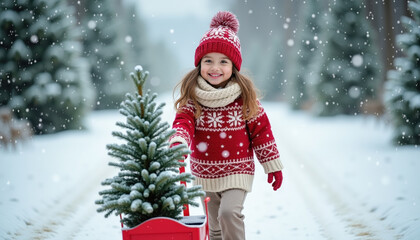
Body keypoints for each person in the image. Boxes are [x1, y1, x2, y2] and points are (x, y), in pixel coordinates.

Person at [169, 11, 284, 240]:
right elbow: (183, 121)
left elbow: (262, 133)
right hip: (205, 171)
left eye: (224, 61)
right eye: (208, 60)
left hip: (237, 170)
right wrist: (179, 139)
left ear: (234, 66)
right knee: (214, 228)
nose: (215, 67)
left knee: (229, 214)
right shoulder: (194, 97)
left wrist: (272, 164)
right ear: (199, 64)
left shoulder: (245, 98)